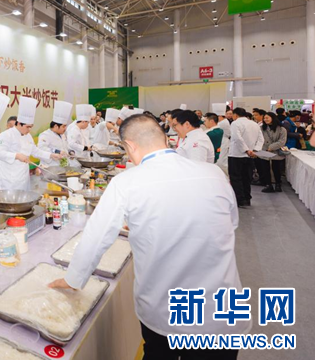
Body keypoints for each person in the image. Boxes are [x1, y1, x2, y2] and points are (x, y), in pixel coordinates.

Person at [48, 114, 249, 359]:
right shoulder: (214, 173)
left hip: (166, 308)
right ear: (164, 138)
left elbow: (95, 238)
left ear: (129, 146)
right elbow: (231, 223)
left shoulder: (126, 182)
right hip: (222, 309)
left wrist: (73, 279)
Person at [0, 97, 61, 191]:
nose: (29, 130)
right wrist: (17, 155)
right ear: (19, 123)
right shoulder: (6, 135)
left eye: (31, 127)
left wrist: (51, 155)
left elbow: (35, 151)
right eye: (27, 127)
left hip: (24, 178)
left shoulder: (28, 136)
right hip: (10, 180)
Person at [229, 107, 264, 207]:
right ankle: (247, 199)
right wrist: (255, 150)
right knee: (247, 178)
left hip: (237, 154)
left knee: (236, 178)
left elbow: (237, 138)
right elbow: (261, 139)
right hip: (250, 155)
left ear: (235, 115)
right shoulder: (254, 124)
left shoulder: (235, 123)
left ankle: (240, 200)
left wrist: (246, 150)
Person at [256, 112, 287, 193]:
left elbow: (282, 141)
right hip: (264, 150)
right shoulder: (261, 128)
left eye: (267, 118)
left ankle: (278, 184)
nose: (265, 119)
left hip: (275, 151)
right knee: (265, 168)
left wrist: (271, 147)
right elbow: (258, 138)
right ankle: (268, 185)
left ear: (273, 118)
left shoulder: (282, 129)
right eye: (264, 118)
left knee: (276, 168)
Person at [37, 101, 73, 166]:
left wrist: (70, 152)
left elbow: (65, 147)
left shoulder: (62, 135)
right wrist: (57, 151)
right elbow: (41, 149)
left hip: (62, 165)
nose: (65, 128)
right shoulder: (45, 135)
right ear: (56, 126)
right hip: (50, 166)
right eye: (63, 126)